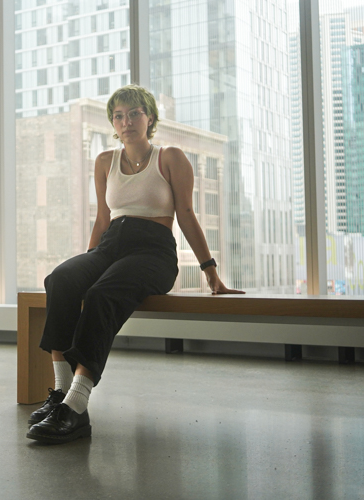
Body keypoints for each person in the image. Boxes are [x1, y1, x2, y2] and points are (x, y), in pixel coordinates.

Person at [26, 84, 244, 445]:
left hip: (153, 252)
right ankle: (60, 396)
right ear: (113, 122)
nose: (126, 121)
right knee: (61, 279)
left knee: (103, 294)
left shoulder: (170, 157)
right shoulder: (104, 161)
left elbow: (187, 215)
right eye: (118, 115)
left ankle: (76, 408)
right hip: (110, 245)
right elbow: (102, 218)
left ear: (150, 118)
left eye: (134, 114)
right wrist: (88, 262)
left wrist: (211, 273)